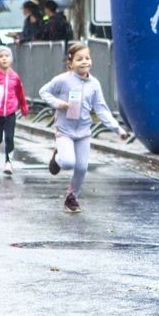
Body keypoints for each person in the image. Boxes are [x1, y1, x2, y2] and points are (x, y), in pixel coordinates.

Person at [40, 42, 129, 214]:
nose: (84, 62)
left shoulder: (94, 84)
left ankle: (72, 197)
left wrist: (118, 129)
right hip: (64, 130)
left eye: (87, 58)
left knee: (81, 167)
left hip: (83, 131)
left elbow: (101, 109)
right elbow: (44, 91)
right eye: (79, 59)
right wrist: (57, 103)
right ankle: (57, 158)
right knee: (67, 163)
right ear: (70, 62)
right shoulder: (63, 80)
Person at [0, 46, 29, 175]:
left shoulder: (15, 77)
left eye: (6, 56)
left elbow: (20, 92)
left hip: (10, 112)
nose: (4, 58)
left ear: (11, 58)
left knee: (9, 137)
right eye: (1, 56)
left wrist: (24, 106)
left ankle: (8, 161)